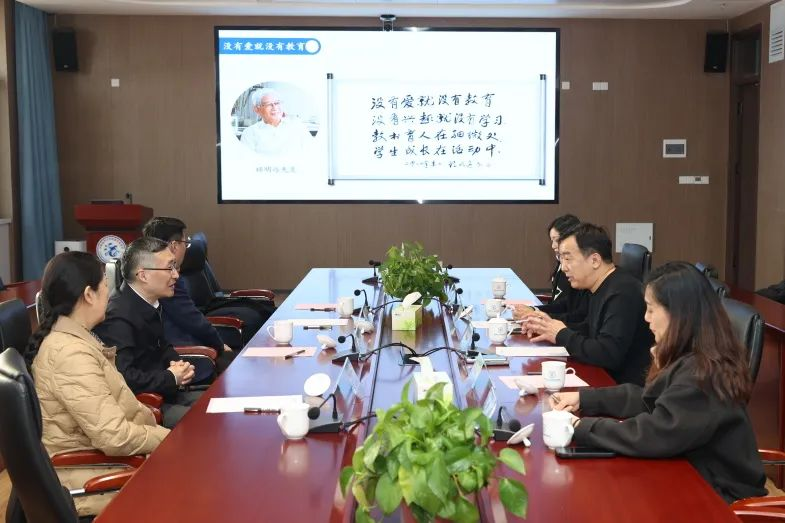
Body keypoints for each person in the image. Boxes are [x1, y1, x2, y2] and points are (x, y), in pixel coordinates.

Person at [550, 261, 767, 504]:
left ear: (679, 314)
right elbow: (650, 400)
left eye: (652, 309)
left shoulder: (702, 374)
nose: (646, 318)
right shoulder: (693, 353)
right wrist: (584, 398)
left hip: (720, 498)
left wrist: (580, 426)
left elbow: (653, 433)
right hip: (689, 471)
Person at [28, 252, 170, 516]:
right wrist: (169, 439)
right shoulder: (70, 355)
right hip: (93, 478)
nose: (109, 293)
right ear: (88, 294)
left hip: (108, 462)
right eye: (105, 285)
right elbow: (114, 436)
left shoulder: (76, 339)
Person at [523, 223, 653, 385]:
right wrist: (547, 326)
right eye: (561, 259)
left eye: (568, 259)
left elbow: (607, 354)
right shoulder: (600, 285)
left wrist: (561, 334)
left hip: (622, 386)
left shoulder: (622, 293)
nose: (563, 268)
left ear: (595, 260)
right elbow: (589, 328)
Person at [94, 237, 199, 428]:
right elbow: (123, 377)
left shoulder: (148, 301)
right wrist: (171, 377)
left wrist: (179, 366)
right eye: (169, 268)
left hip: (167, 394)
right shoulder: (118, 316)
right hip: (145, 408)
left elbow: (162, 347)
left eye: (175, 267)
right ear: (143, 275)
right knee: (207, 422)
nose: (176, 275)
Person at [142, 216, 236, 373]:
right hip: (180, 357)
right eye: (185, 243)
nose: (187, 248)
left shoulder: (152, 271)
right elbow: (191, 318)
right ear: (174, 246)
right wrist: (219, 344)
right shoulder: (164, 278)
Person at [535, 214, 589, 323]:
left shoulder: (579, 274)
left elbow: (577, 317)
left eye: (556, 240)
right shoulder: (561, 265)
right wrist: (535, 311)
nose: (553, 246)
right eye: (552, 240)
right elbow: (565, 303)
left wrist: (539, 316)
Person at [239, 87, 313, 156]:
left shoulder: (297, 125)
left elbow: (310, 153)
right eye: (268, 104)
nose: (275, 107)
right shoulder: (249, 133)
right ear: (257, 109)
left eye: (277, 103)